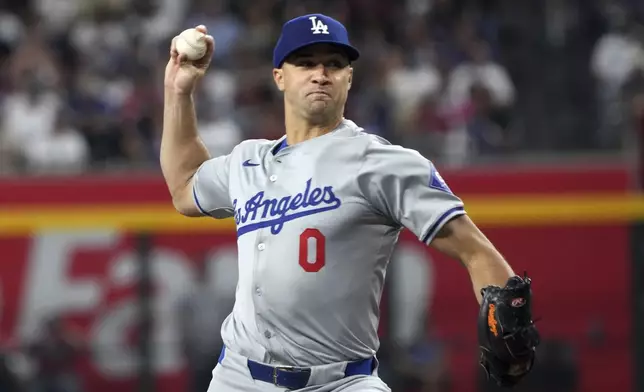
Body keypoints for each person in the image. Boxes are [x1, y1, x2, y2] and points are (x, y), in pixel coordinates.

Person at [161, 14, 537, 392]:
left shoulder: (383, 163)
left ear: (349, 77)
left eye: (334, 64)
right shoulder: (248, 160)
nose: (320, 74)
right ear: (279, 77)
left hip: (342, 382)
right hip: (239, 378)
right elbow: (185, 185)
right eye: (305, 63)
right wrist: (178, 92)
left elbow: (474, 249)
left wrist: (509, 311)